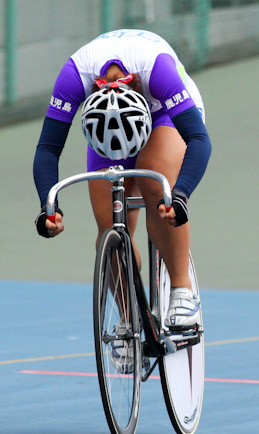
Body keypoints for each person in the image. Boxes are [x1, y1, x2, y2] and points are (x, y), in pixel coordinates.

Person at [33, 29, 211, 330]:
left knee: (153, 172)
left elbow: (198, 139)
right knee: (108, 227)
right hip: (108, 125)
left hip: (164, 114)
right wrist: (48, 206)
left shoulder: (156, 71)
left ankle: (182, 289)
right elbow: (48, 148)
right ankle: (130, 319)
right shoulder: (74, 76)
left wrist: (179, 194)